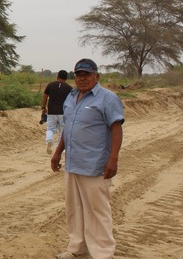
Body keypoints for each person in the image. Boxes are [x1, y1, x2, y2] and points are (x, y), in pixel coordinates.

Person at [51, 58, 124, 259]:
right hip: (73, 162)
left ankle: (102, 253)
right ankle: (77, 249)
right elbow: (68, 127)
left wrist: (113, 159)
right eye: (79, 75)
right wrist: (58, 153)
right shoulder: (71, 97)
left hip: (95, 165)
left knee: (97, 210)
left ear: (96, 76)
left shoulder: (107, 98)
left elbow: (116, 129)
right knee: (74, 209)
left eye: (87, 75)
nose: (82, 79)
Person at [41, 70, 73, 154]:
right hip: (63, 112)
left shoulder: (50, 85)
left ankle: (49, 140)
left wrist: (43, 107)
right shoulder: (69, 88)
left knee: (50, 129)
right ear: (66, 78)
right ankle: (59, 148)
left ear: (57, 76)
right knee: (62, 130)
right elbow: (72, 100)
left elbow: (45, 96)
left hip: (51, 111)